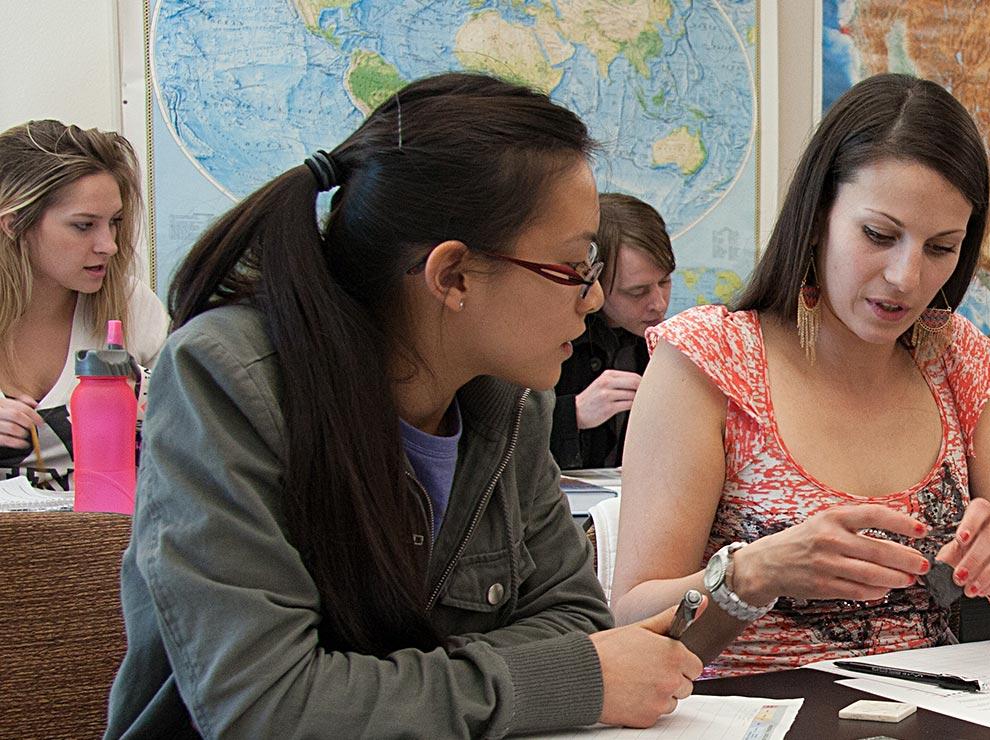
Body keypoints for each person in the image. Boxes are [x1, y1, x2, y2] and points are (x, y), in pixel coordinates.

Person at [108, 73, 700, 737]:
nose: (592, 302)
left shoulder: (507, 406)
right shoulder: (229, 381)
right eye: (574, 268)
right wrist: (562, 679)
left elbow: (573, 621)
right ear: (453, 277)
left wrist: (367, 691)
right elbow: (268, 708)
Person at [609, 73, 990, 678]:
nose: (906, 278)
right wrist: (753, 573)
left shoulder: (953, 357)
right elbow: (630, 623)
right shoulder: (711, 359)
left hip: (933, 713)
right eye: (879, 235)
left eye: (941, 248)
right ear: (819, 212)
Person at [0, 120, 170, 489]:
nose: (108, 244)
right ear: (14, 224)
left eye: (114, 223)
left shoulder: (131, 305)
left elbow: (189, 441)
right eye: (84, 226)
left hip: (111, 543)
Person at [550, 192, 675, 469]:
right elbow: (496, 443)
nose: (659, 304)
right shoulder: (546, 342)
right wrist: (574, 415)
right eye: (637, 292)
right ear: (593, 283)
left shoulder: (672, 347)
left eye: (665, 281)